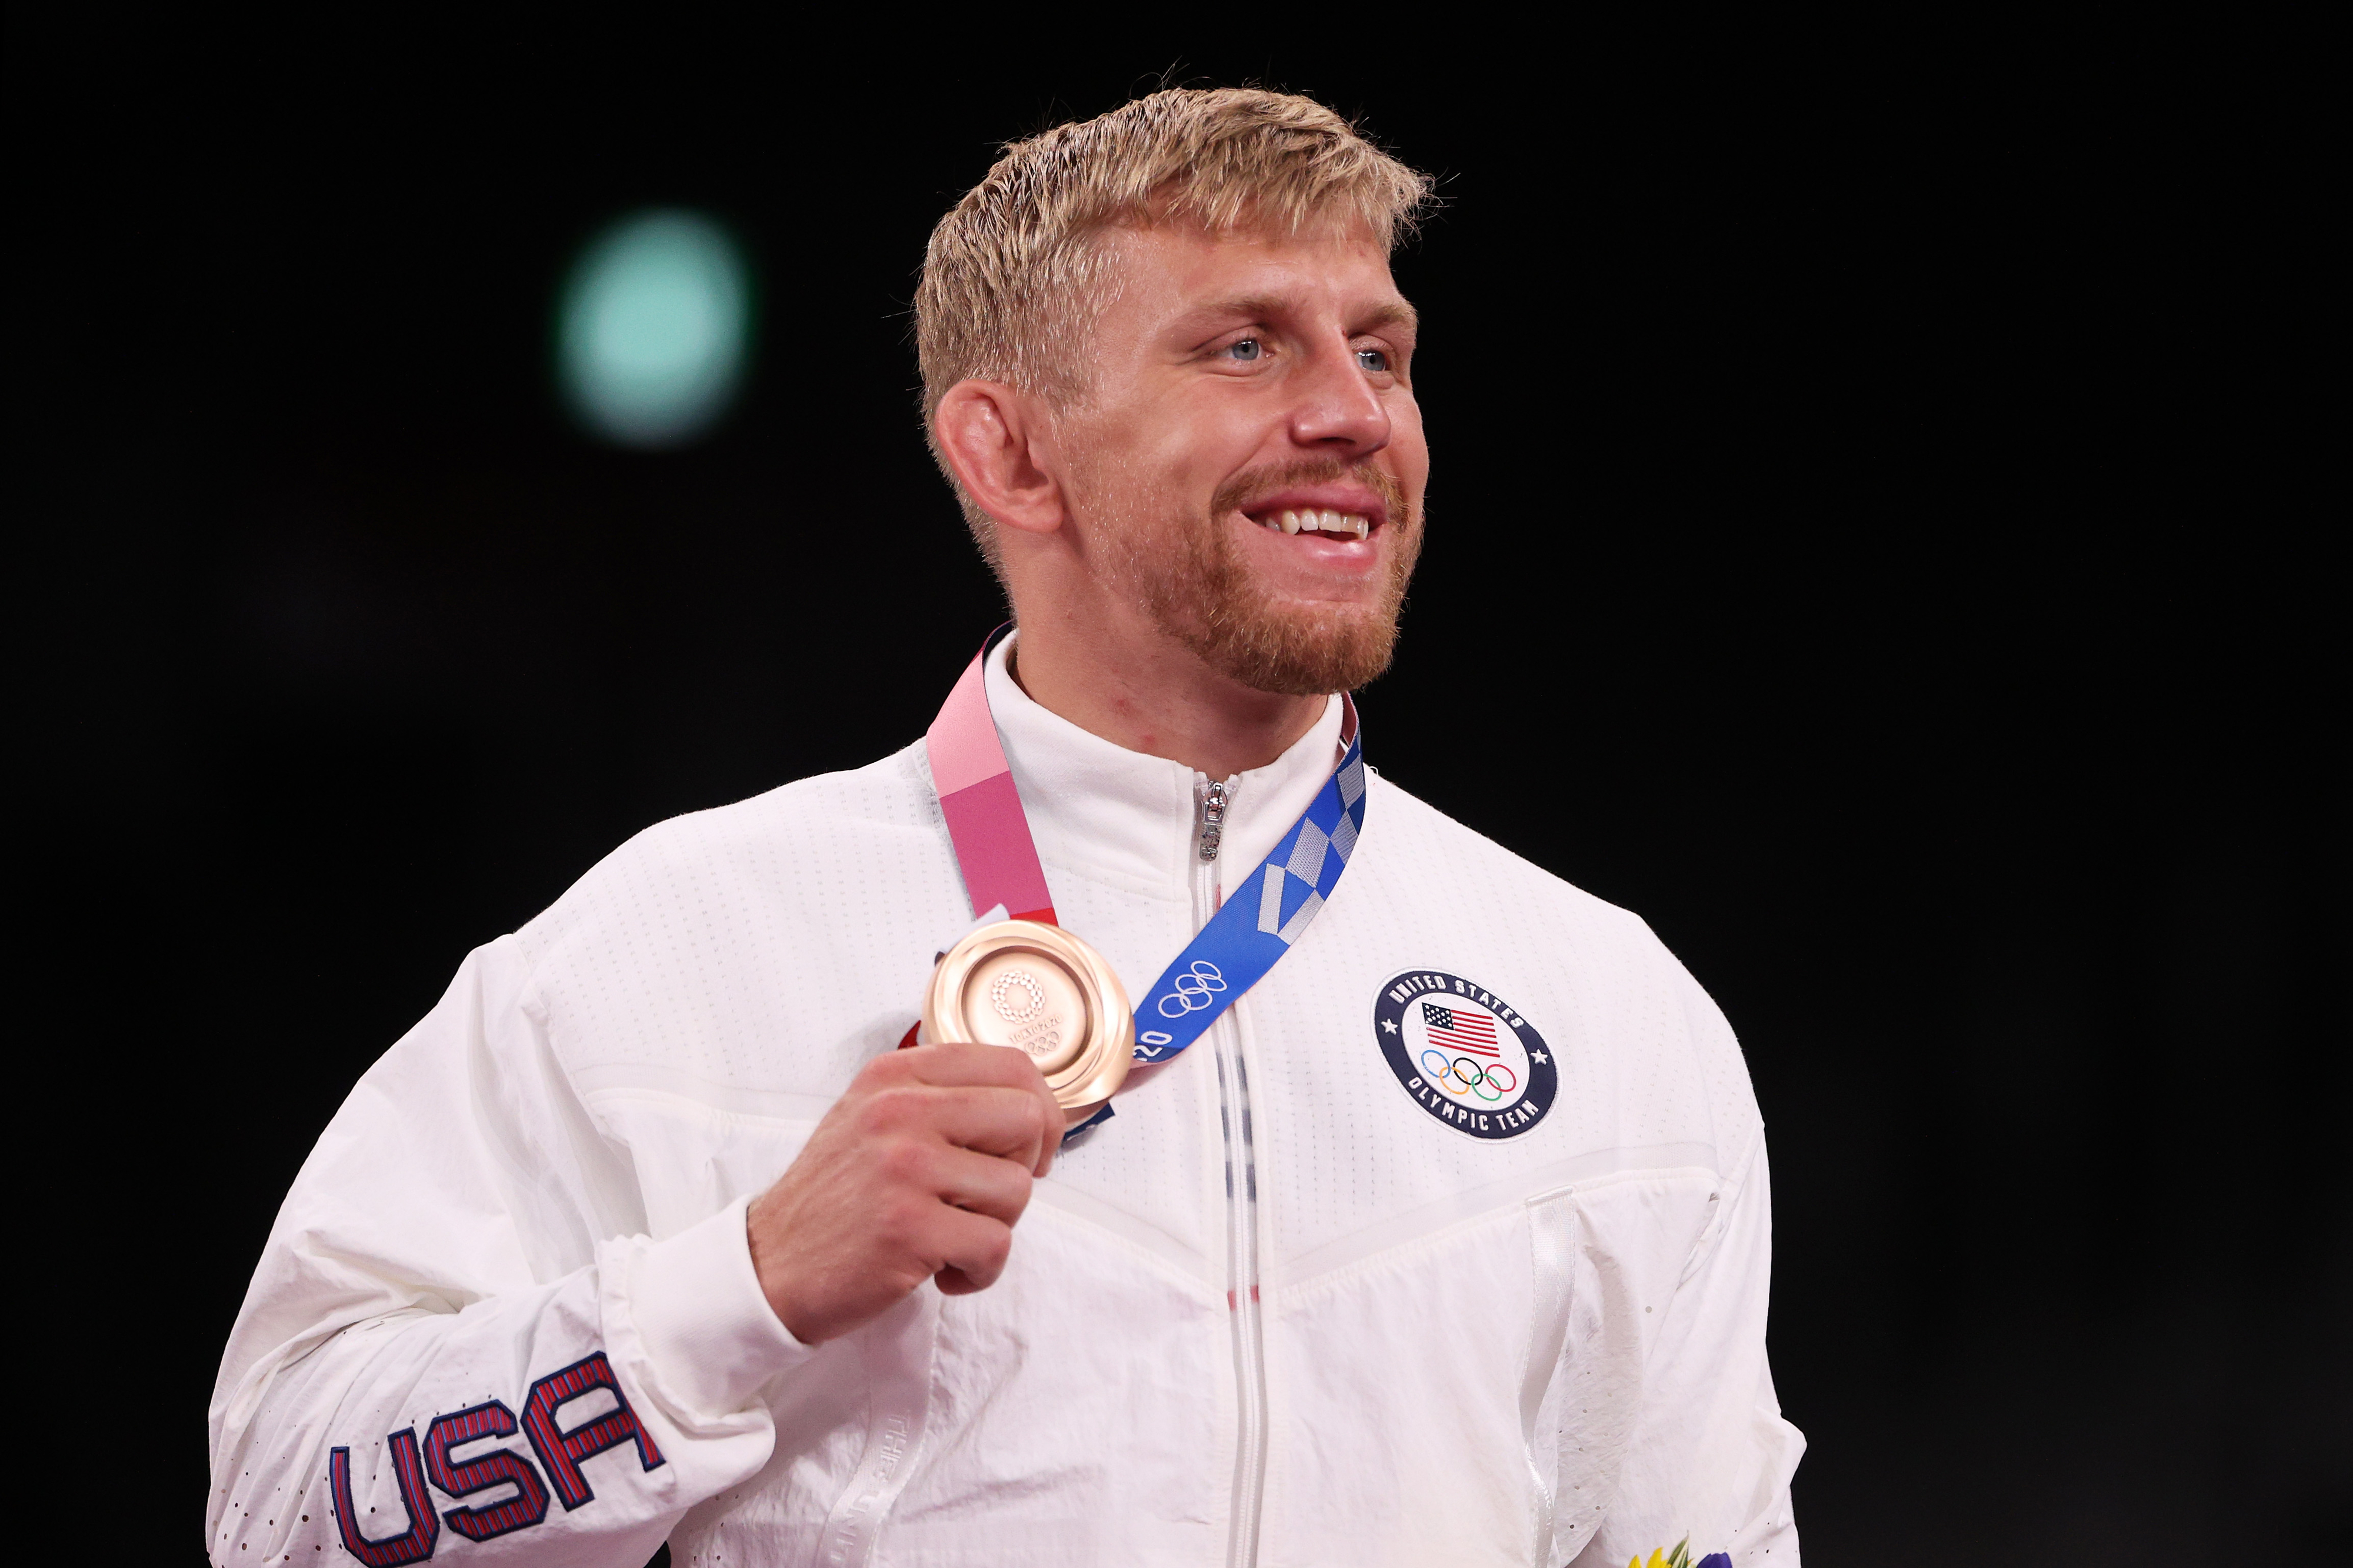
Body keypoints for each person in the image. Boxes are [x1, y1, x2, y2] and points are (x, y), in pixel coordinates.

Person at [208, 87, 1804, 1567]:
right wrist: (740, 1288)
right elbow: (283, 1502)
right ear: (1011, 450)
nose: (1353, 414)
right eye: (1246, 347)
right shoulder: (680, 943)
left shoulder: (1611, 1009)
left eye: (1381, 353)